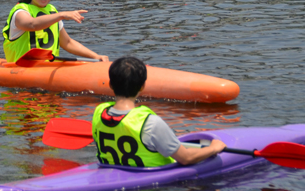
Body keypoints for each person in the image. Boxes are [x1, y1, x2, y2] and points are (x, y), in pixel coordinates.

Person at [92, 56, 226, 167]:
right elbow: (186, 158)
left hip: (111, 175)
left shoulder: (99, 112)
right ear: (142, 86)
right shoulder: (149, 122)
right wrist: (214, 148)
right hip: (149, 190)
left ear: (110, 84)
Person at [2, 0, 109, 63]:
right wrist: (61, 15)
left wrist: (96, 56)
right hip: (21, 69)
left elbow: (67, 42)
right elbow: (32, 24)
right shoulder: (20, 11)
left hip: (48, 68)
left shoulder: (52, 10)